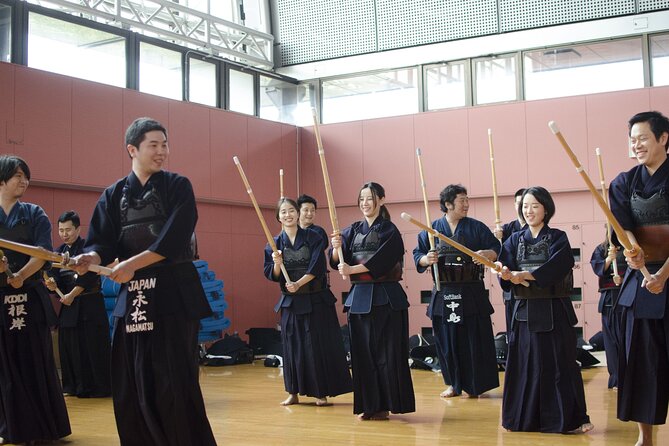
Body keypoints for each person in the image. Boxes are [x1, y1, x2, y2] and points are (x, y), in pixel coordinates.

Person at [71, 118, 216, 446]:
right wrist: (90, 259)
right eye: (154, 145)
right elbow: (100, 241)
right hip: (134, 300)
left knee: (174, 382)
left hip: (172, 295)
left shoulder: (177, 186)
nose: (162, 151)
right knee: (132, 382)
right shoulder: (113, 194)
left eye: (165, 144)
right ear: (132, 149)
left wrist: (131, 265)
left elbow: (174, 240)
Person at [497, 186, 592, 434]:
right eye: (525, 206)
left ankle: (569, 419)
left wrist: (526, 274)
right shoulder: (513, 240)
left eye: (534, 206)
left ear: (546, 209)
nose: (529, 211)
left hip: (553, 310)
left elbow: (560, 264)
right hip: (524, 311)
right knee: (524, 364)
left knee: (559, 364)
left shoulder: (558, 237)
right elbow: (505, 270)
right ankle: (523, 419)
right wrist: (505, 273)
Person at [0, 155, 71, 444]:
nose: (24, 180)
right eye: (17, 175)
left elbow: (44, 252)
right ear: (2, 180)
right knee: (5, 364)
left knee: (36, 361)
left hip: (29, 296)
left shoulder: (34, 213)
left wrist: (20, 276)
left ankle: (44, 427)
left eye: (25, 175)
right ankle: (8, 427)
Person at [608, 110, 669, 446]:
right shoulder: (624, 181)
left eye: (643, 137)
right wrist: (633, 251)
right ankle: (645, 437)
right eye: (632, 140)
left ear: (663, 138)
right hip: (642, 281)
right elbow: (623, 227)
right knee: (644, 361)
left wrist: (663, 273)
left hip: (666, 272)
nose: (637, 145)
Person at [330, 182, 415, 420]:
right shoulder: (351, 230)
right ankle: (369, 404)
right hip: (359, 297)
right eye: (362, 199)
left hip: (386, 296)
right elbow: (336, 261)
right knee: (362, 353)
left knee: (386, 353)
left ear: (382, 200)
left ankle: (386, 404)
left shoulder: (390, 230)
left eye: (370, 198)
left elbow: (382, 262)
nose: (365, 203)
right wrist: (336, 249)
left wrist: (350, 267)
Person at [413, 184, 499, 399]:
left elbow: (496, 249)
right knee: (447, 341)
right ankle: (453, 383)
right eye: (462, 200)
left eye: (467, 200)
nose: (466, 204)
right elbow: (418, 256)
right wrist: (427, 258)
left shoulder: (476, 227)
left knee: (474, 340)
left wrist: (485, 253)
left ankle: (476, 385)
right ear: (448, 204)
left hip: (471, 291)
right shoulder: (431, 230)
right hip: (444, 291)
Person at [264, 197, 352, 407]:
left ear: (298, 213)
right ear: (278, 217)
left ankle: (320, 392)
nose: (288, 215)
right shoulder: (274, 243)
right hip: (291, 303)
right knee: (292, 346)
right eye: (283, 212)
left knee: (315, 346)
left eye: (291, 211)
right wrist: (277, 263)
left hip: (315, 299)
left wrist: (298, 283)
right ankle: (292, 392)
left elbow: (317, 266)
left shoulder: (313, 237)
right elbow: (272, 274)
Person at [45, 210, 111, 398]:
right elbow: (53, 277)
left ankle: (97, 387)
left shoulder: (88, 249)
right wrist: (52, 284)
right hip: (69, 304)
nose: (64, 234)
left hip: (89, 302)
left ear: (77, 229)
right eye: (61, 230)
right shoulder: (58, 253)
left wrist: (73, 294)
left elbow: (90, 276)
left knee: (90, 345)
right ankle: (72, 386)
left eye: (68, 230)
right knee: (69, 346)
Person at [589, 234, 626, 389]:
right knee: (612, 341)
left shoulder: (632, 247)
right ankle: (617, 378)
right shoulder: (602, 249)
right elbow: (597, 268)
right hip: (609, 300)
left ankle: (634, 377)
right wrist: (609, 259)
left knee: (629, 339)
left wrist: (624, 280)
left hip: (628, 297)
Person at [493, 188, 526, 334]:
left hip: (530, 284)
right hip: (511, 286)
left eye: (524, 203)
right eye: (519, 203)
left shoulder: (539, 230)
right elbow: (498, 256)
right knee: (513, 327)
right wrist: (497, 237)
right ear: (514, 205)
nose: (522, 207)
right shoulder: (506, 230)